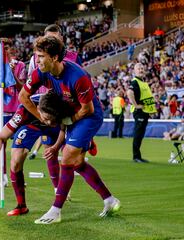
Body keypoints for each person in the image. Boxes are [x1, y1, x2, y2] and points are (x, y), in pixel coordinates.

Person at [20, 36, 120, 224]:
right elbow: (23, 96)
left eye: (41, 56)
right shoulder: (40, 73)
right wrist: (41, 116)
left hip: (88, 116)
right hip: (71, 116)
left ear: (55, 57)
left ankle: (56, 210)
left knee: (67, 156)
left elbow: (87, 109)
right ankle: (110, 200)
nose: (37, 60)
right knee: (77, 163)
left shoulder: (78, 76)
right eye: (36, 55)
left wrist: (69, 120)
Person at [0, 91, 73, 216]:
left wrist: (55, 147)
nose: (48, 122)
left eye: (51, 119)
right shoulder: (23, 112)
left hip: (55, 128)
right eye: (46, 118)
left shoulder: (59, 108)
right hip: (31, 124)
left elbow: (62, 130)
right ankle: (21, 206)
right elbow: (0, 138)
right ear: (38, 109)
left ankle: (57, 189)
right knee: (16, 159)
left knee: (61, 154)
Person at [27, 24, 82, 160]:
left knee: (71, 151)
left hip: (68, 106)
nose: (51, 42)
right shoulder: (35, 58)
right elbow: (31, 81)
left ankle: (70, 170)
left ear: (61, 39)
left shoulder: (74, 57)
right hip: (48, 107)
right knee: (49, 148)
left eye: (55, 38)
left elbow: (82, 81)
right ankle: (57, 180)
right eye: (48, 38)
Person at [0, 38, 27, 187]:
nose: (4, 51)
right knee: (0, 142)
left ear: (12, 50)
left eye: (7, 48)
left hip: (17, 109)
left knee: (20, 144)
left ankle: (18, 174)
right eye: (1, 48)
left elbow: (23, 87)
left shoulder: (21, 65)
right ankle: (3, 176)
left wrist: (11, 74)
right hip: (0, 111)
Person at [127, 63, 157, 163]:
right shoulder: (135, 81)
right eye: (139, 68)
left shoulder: (143, 82)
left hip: (144, 112)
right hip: (139, 111)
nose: (141, 70)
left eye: (142, 68)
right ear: (134, 71)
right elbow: (129, 92)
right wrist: (136, 105)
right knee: (138, 133)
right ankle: (136, 156)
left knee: (140, 134)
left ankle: (138, 156)